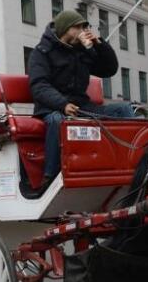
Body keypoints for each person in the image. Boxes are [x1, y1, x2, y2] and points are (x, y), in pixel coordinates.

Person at [28, 10, 135, 188]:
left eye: (84, 27)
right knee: (57, 120)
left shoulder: (82, 51)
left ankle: (132, 162)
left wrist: (99, 45)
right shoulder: (42, 52)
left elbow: (108, 69)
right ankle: (50, 175)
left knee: (124, 109)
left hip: (82, 106)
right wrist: (62, 104)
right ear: (65, 29)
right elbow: (39, 85)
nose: (82, 30)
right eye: (77, 27)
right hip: (52, 108)